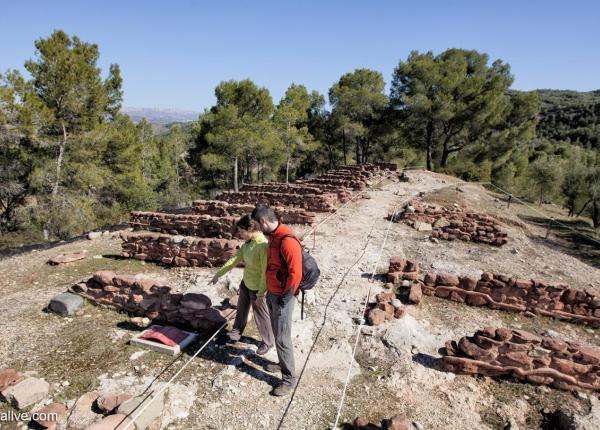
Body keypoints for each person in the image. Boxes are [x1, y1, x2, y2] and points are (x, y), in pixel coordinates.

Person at [251, 204, 302, 396]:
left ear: (263, 221)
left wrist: (285, 297)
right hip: (273, 294)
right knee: (276, 332)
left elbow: (295, 274)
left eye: (256, 224)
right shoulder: (272, 237)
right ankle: (282, 364)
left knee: (282, 338)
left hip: (282, 297)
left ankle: (289, 380)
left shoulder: (287, 241)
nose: (256, 228)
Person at [211, 214, 273, 355]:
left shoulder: (263, 245)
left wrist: (261, 293)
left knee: (261, 316)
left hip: (258, 287)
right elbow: (234, 260)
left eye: (241, 231)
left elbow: (265, 272)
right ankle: (235, 333)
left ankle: (268, 342)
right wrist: (218, 274)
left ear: (250, 228)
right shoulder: (247, 245)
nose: (239, 234)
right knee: (241, 310)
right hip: (246, 283)